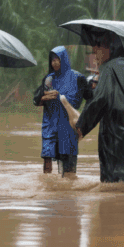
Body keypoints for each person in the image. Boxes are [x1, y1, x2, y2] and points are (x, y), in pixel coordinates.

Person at [74, 32, 124, 183]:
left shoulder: (109, 68)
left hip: (119, 136)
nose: (95, 52)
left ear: (110, 48)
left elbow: (100, 100)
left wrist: (81, 128)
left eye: (98, 47)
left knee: (111, 185)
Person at [33, 46, 92, 176]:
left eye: (57, 59)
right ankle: (47, 186)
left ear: (63, 59)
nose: (54, 63)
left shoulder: (78, 78)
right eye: (52, 60)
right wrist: (44, 97)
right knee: (47, 161)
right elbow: (36, 100)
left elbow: (91, 99)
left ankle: (67, 187)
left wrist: (83, 121)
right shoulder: (48, 79)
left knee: (68, 168)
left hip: (68, 127)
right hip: (50, 126)